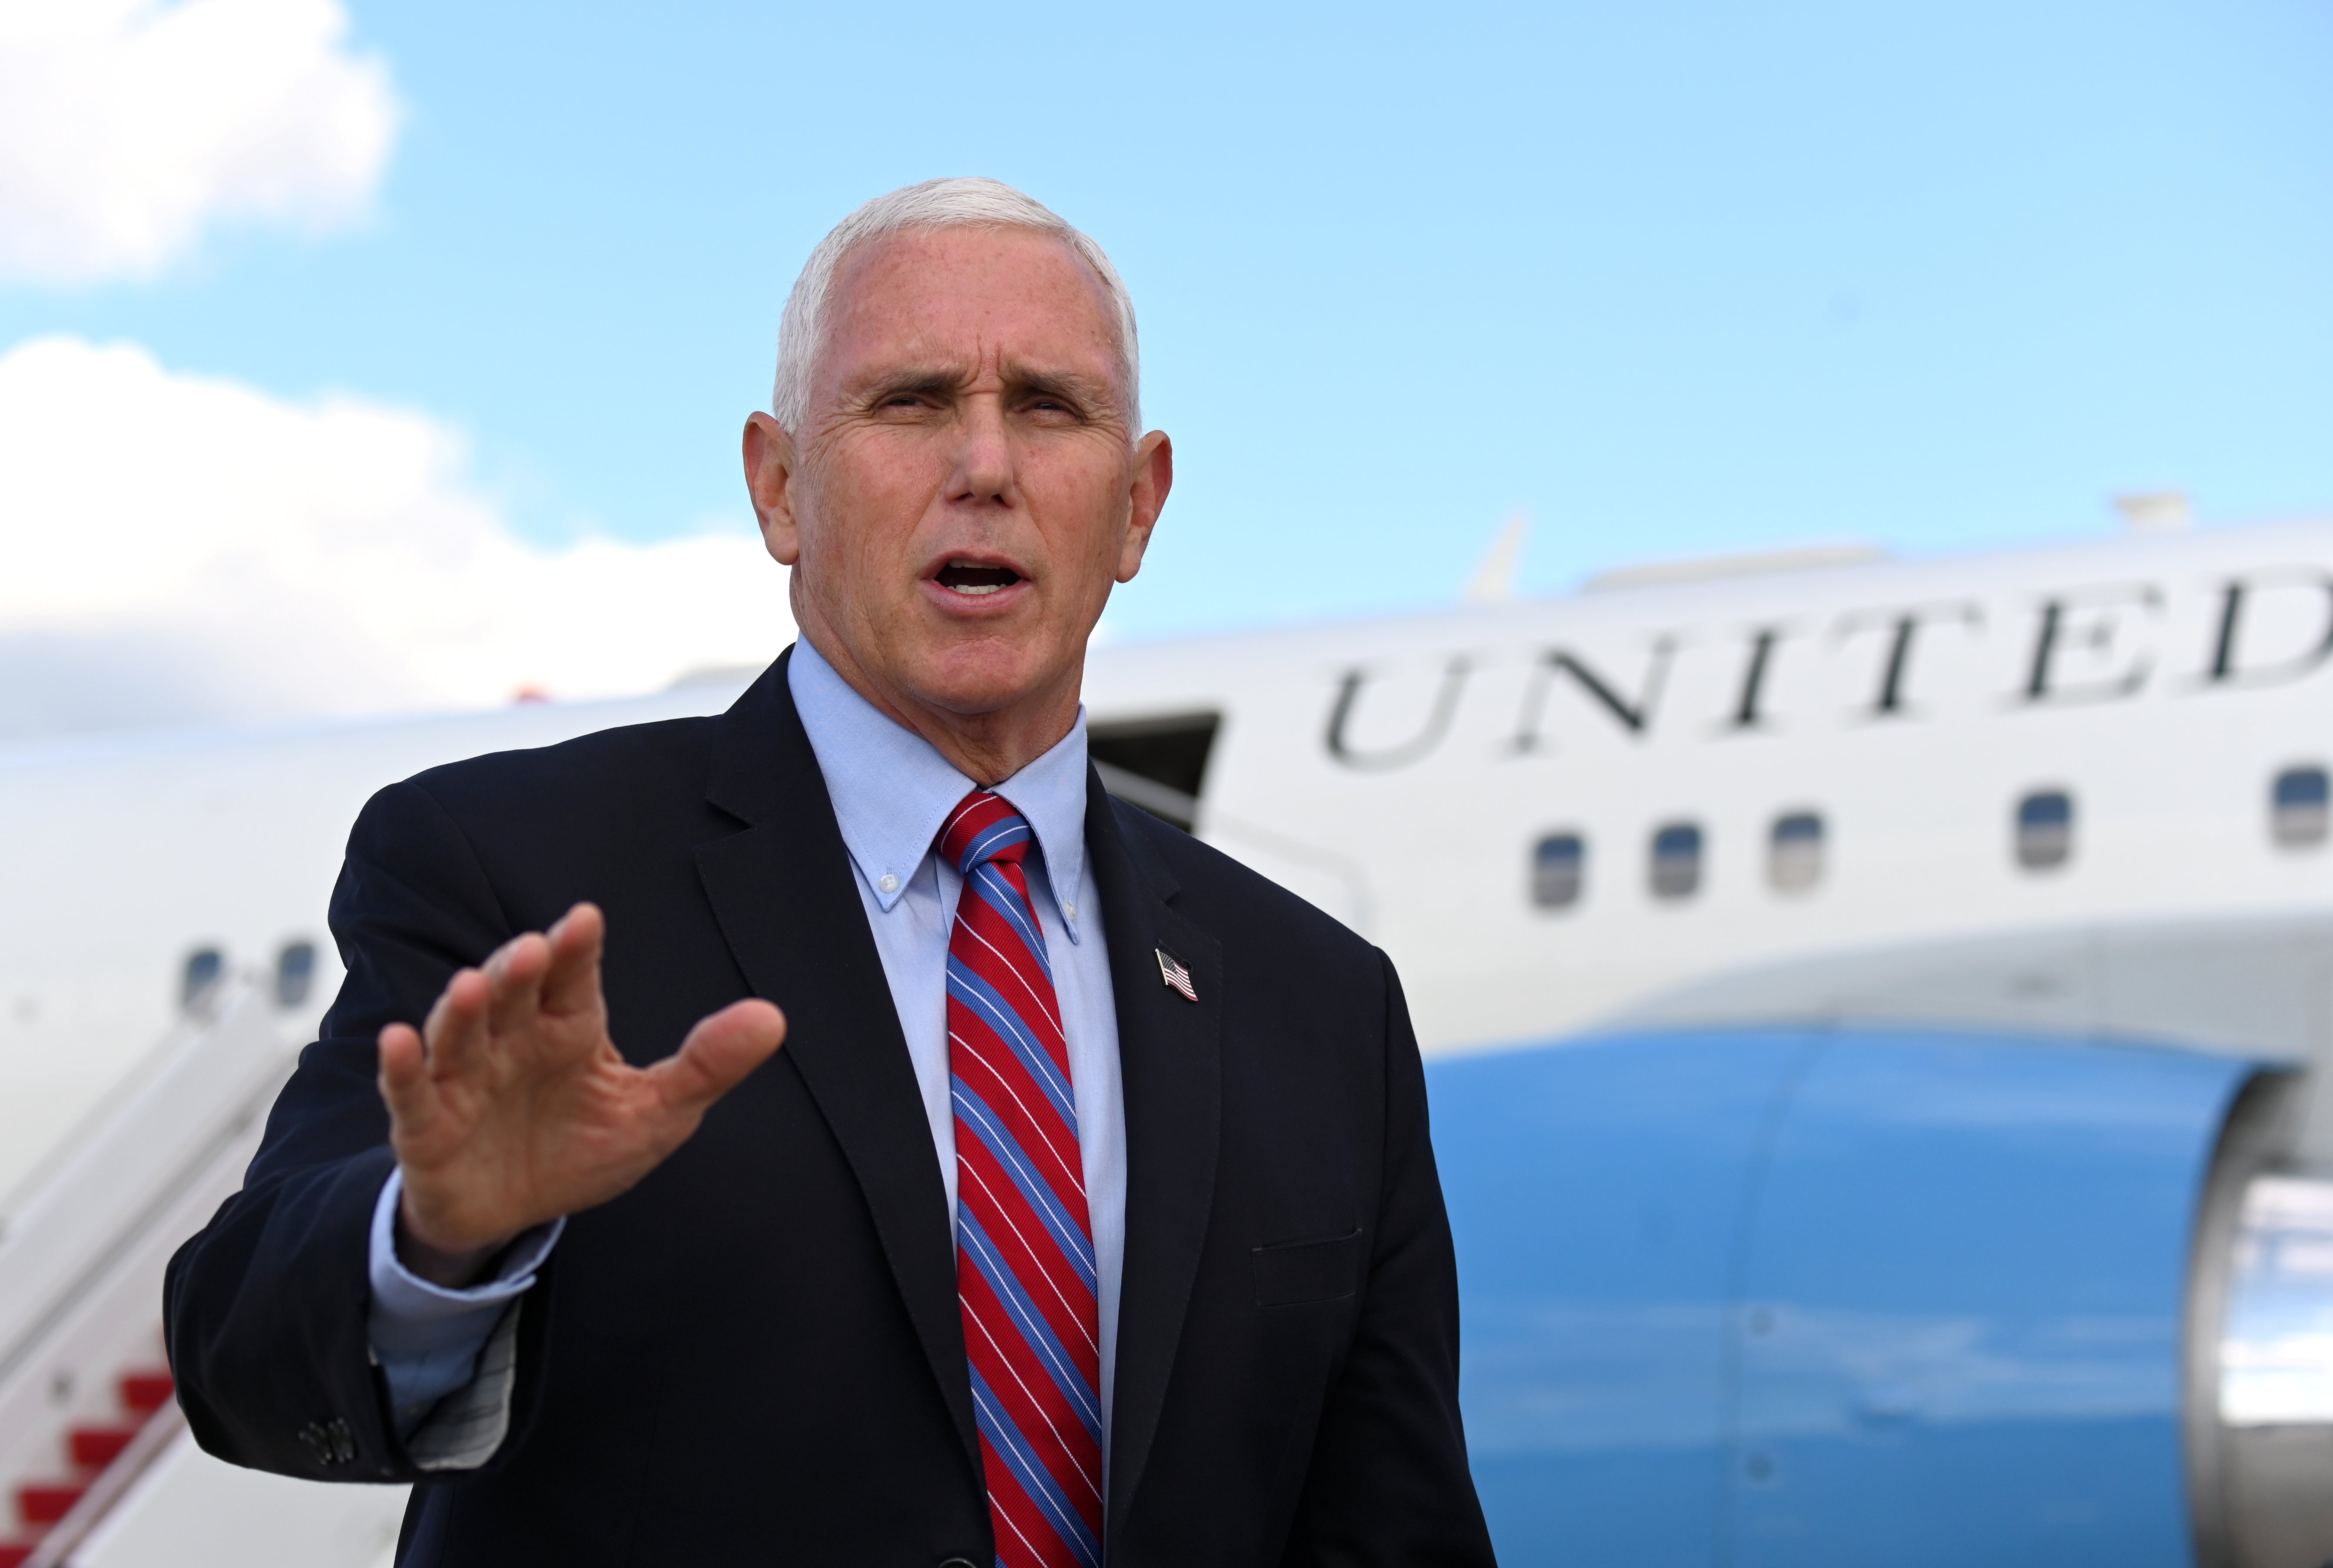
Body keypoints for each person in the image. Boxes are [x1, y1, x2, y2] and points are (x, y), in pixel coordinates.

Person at [165, 177, 1496, 1568]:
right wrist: (438, 1240)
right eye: (912, 402)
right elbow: (240, 1351)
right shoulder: (516, 873)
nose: (984, 463)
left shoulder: (1320, 1005)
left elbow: (1390, 1526)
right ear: (779, 487)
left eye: (1048, 406)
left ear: (1137, 507)